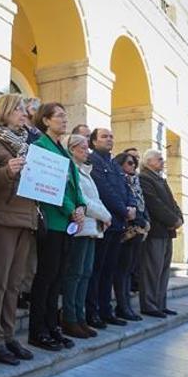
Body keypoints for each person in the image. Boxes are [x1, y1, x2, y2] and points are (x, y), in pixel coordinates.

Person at [0, 94, 37, 366]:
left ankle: (9, 335)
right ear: (4, 112)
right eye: (18, 110)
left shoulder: (30, 146)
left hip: (25, 218)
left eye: (26, 110)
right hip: (1, 219)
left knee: (15, 284)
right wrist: (7, 172)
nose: (24, 114)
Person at [26, 102, 85, 351]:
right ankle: (37, 331)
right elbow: (49, 186)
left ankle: (53, 327)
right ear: (46, 121)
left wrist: (81, 206)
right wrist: (71, 209)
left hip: (69, 222)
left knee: (58, 279)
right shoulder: (40, 146)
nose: (64, 119)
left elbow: (75, 183)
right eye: (59, 116)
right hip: (54, 220)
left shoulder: (63, 150)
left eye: (65, 115)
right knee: (45, 278)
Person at [86, 128, 136, 329]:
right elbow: (104, 191)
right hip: (103, 223)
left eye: (111, 136)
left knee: (109, 270)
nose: (109, 139)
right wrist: (124, 210)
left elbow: (126, 187)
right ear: (94, 141)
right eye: (104, 136)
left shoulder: (114, 163)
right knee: (97, 270)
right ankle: (93, 312)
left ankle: (106, 310)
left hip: (118, 224)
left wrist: (131, 205)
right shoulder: (94, 161)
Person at [64, 134, 110, 339]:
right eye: (81, 147)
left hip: (92, 228)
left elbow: (95, 199)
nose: (86, 150)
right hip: (81, 226)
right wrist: (107, 216)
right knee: (74, 273)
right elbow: (84, 202)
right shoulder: (71, 169)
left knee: (85, 273)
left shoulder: (85, 171)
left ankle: (80, 317)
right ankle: (70, 318)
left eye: (86, 147)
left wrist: (103, 216)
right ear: (72, 149)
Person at [138, 149, 183, 318]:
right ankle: (149, 305)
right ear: (149, 161)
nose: (163, 162)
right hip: (156, 232)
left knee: (163, 270)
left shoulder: (160, 179)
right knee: (152, 270)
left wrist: (179, 218)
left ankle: (160, 304)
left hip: (167, 232)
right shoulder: (144, 178)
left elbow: (172, 203)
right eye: (160, 159)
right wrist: (173, 221)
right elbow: (154, 204)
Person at [113, 151, 148, 322]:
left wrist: (145, 220)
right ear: (120, 165)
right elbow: (124, 202)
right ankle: (122, 306)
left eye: (134, 163)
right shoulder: (120, 180)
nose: (132, 166)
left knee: (129, 269)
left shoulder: (136, 182)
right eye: (128, 163)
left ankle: (127, 305)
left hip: (138, 229)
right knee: (122, 271)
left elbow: (140, 203)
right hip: (125, 230)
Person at [17, 96, 42, 308]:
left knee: (31, 252)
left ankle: (26, 289)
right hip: (17, 198)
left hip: (36, 201)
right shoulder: (16, 135)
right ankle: (17, 290)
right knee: (17, 254)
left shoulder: (39, 137)